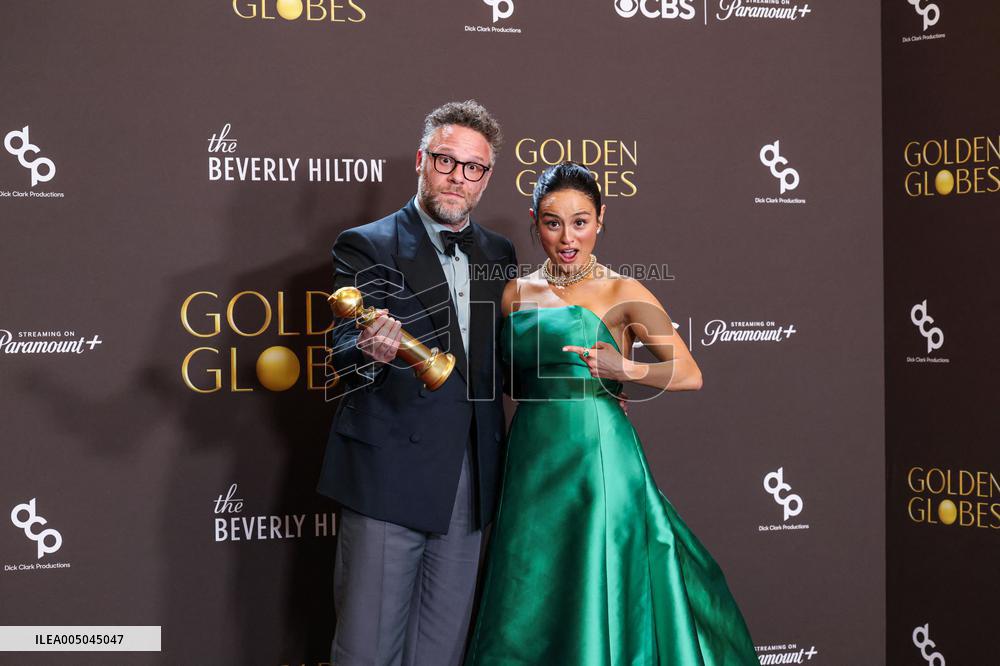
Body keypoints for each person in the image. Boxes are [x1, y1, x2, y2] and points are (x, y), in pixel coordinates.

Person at [464, 162, 758, 665]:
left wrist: (624, 368)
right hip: (532, 456)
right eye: (553, 222)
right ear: (534, 221)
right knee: (529, 587)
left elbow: (688, 373)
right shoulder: (515, 293)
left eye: (581, 221)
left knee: (594, 577)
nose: (567, 237)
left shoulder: (624, 292)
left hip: (598, 458)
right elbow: (511, 381)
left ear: (601, 219)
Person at [317, 100, 517, 666]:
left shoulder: (499, 254)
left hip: (470, 480)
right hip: (389, 475)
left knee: (441, 651)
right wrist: (370, 352)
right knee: (367, 649)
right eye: (446, 161)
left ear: (487, 178)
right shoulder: (367, 244)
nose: (458, 177)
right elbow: (342, 357)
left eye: (472, 167)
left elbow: (500, 364)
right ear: (421, 161)